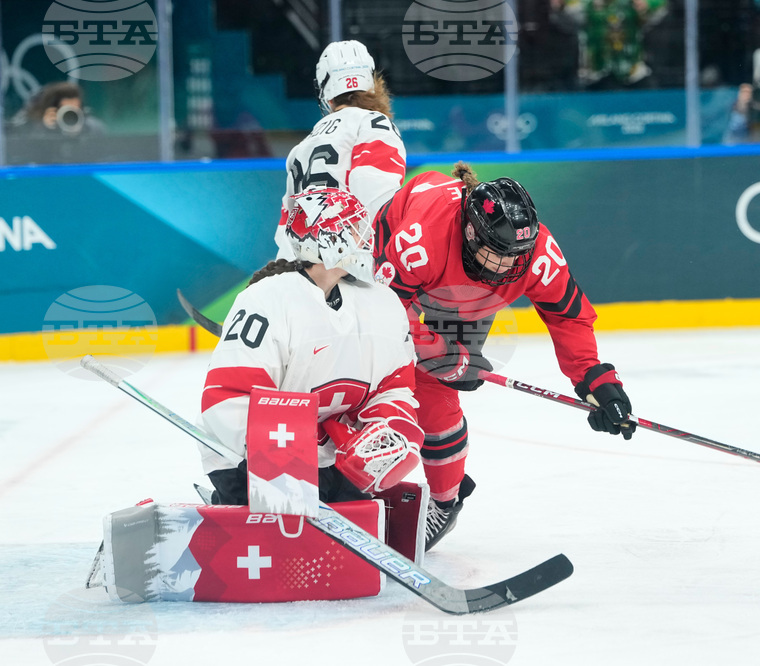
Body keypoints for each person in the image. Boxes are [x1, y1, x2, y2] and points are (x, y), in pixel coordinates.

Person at [373, 162, 635, 550]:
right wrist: (443, 354)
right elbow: (384, 315)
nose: (509, 266)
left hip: (462, 296)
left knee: (436, 394)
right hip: (393, 273)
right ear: (470, 233)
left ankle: (445, 501)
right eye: (499, 254)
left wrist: (595, 379)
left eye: (517, 255)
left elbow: (568, 315)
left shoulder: (534, 254)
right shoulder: (419, 242)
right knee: (375, 375)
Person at [201, 188, 423, 506]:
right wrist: (279, 459)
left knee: (360, 518)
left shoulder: (382, 302)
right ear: (327, 238)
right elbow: (228, 395)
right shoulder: (266, 300)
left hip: (332, 461)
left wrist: (385, 429)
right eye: (354, 228)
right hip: (252, 461)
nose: (366, 238)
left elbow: (394, 386)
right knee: (288, 533)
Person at [275, 40, 406, 259]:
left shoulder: (302, 146)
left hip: (307, 265)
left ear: (326, 92)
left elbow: (286, 228)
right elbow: (377, 198)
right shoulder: (374, 123)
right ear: (371, 81)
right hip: (352, 261)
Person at [7, 81, 106, 163]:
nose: (71, 116)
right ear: (53, 111)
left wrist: (81, 132)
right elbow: (28, 156)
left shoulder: (91, 126)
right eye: (66, 111)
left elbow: (100, 155)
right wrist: (45, 129)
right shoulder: (36, 127)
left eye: (75, 110)